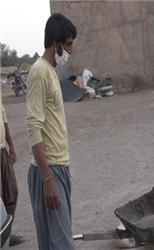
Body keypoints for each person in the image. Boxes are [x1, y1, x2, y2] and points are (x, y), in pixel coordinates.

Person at [26, 13, 77, 250]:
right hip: (49, 171)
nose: (70, 50)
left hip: (59, 167)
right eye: (68, 44)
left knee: (55, 241)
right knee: (62, 244)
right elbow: (33, 127)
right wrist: (47, 179)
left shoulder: (51, 71)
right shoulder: (39, 72)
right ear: (56, 44)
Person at [0, 99, 25, 246]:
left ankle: (6, 231)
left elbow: (4, 120)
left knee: (12, 192)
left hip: (2, 150)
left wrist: (12, 146)